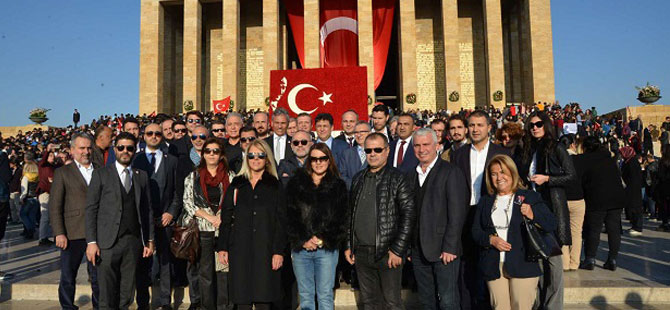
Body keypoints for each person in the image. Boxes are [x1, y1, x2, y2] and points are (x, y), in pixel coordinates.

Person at [471, 155, 557, 310]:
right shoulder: (485, 201)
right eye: (494, 173)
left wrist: (532, 214)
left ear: (512, 173)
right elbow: (476, 231)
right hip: (493, 265)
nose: (499, 177)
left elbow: (551, 223)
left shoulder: (530, 196)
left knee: (521, 306)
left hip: (523, 263)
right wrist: (490, 240)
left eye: (503, 172)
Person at [343, 133, 415, 310]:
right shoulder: (358, 178)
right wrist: (348, 245)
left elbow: (408, 215)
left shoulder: (398, 178)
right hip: (361, 252)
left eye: (377, 149)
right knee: (369, 303)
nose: (372, 154)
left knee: (392, 303)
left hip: (387, 252)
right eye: (368, 150)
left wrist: (398, 249)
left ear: (387, 151)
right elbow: (350, 215)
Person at [85, 132, 154, 310]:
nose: (125, 151)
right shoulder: (101, 174)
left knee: (126, 293)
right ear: (115, 149)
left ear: (134, 150)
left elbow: (147, 211)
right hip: (107, 243)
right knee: (107, 293)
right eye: (121, 147)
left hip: (133, 242)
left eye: (129, 148)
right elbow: (91, 209)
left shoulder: (142, 176)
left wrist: (149, 240)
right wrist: (92, 242)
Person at [217, 139, 287, 310]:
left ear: (267, 159)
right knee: (242, 301)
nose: (256, 159)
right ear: (246, 158)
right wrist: (222, 247)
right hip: (240, 250)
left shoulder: (275, 186)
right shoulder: (237, 184)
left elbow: (282, 221)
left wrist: (278, 251)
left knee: (264, 299)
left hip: (266, 250)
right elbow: (226, 217)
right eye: (252, 155)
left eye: (260, 155)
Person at [451, 110, 510, 310]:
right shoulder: (458, 154)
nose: (475, 129)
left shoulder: (501, 153)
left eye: (480, 125)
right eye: (472, 125)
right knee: (466, 265)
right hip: (465, 214)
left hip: (491, 214)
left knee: (488, 264)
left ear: (489, 128)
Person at [518, 111, 575, 310]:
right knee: (539, 261)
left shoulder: (556, 147)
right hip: (533, 210)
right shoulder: (527, 148)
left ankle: (553, 306)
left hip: (553, 209)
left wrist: (548, 178)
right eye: (531, 125)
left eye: (539, 124)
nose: (535, 127)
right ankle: (541, 305)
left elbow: (571, 175)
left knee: (554, 263)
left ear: (546, 125)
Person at [408, 128, 468, 309]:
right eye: (417, 145)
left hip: (444, 250)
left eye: (426, 144)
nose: (421, 149)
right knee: (426, 301)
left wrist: (450, 247)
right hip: (418, 251)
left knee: (448, 300)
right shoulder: (411, 175)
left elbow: (457, 213)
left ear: (437, 146)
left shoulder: (451, 172)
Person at [286, 143, 348, 310]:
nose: (318, 162)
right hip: (301, 249)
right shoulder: (296, 184)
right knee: (305, 297)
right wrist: (304, 239)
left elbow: (341, 218)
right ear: (309, 161)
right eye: (314, 159)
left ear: (329, 160)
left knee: (325, 295)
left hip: (326, 250)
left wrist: (321, 239)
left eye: (322, 158)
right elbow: (290, 215)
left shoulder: (338, 186)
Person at [132, 123, 182, 310]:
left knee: (165, 261)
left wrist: (171, 212)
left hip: (165, 219)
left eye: (157, 134)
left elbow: (177, 192)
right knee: (142, 263)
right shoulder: (135, 160)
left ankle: (165, 301)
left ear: (162, 136)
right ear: (144, 136)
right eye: (150, 133)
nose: (154, 136)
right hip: (142, 220)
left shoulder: (172, 161)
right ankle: (143, 303)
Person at [49, 133, 100, 310]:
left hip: (97, 232)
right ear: (72, 150)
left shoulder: (100, 170)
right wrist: (59, 232)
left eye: (88, 147)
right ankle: (67, 306)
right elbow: (55, 205)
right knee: (68, 276)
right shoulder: (63, 173)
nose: (86, 152)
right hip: (72, 233)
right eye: (81, 148)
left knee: (97, 276)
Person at [183, 138, 232, 310]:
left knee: (223, 273)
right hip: (203, 231)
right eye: (208, 151)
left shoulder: (230, 176)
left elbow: (234, 203)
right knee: (205, 274)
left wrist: (222, 218)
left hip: (224, 231)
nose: (211, 154)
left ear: (221, 155)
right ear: (203, 154)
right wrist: (210, 218)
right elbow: (188, 203)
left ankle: (224, 306)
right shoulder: (193, 176)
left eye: (216, 151)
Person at [579, 136, 624, 271]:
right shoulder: (609, 159)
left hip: (596, 198)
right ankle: (613, 259)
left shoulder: (586, 160)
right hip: (615, 198)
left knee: (594, 229)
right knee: (614, 229)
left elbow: (583, 179)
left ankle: (590, 259)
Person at [558, 134, 586, 271]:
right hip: (578, 198)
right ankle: (574, 263)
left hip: (562, 199)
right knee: (576, 232)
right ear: (572, 144)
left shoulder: (557, 160)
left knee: (562, 230)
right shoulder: (580, 160)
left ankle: (564, 262)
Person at [37, 145, 61, 245]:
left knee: (51, 216)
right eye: (50, 156)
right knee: (45, 216)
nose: (52, 157)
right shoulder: (43, 165)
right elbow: (42, 160)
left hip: (52, 193)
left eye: (53, 155)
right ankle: (42, 238)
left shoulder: (54, 167)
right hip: (44, 193)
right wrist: (47, 150)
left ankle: (49, 236)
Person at [337, 122, 371, 189]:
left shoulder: (376, 151)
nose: (359, 135)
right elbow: (342, 175)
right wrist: (355, 186)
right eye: (356, 132)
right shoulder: (347, 154)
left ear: (370, 133)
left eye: (362, 131)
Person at [620, 146, 644, 236]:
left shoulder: (632, 162)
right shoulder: (628, 161)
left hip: (633, 189)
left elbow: (633, 177)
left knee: (635, 208)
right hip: (631, 189)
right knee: (631, 207)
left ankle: (638, 227)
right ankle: (634, 225)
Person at [20, 161, 40, 239]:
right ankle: (32, 229)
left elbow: (24, 190)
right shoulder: (37, 177)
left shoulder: (26, 177)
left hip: (28, 198)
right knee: (32, 215)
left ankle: (30, 229)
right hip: (35, 198)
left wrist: (22, 198)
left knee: (23, 214)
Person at [654, 146, 670, 231]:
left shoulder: (663, 162)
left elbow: (660, 175)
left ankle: (665, 223)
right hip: (666, 186)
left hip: (664, 187)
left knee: (664, 206)